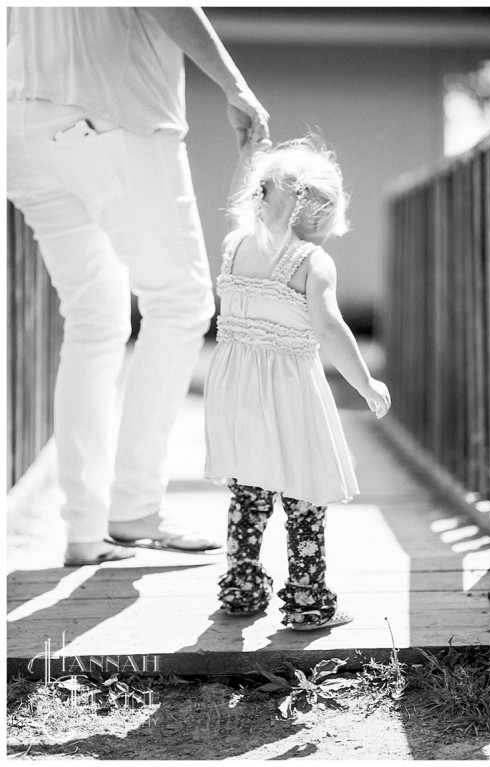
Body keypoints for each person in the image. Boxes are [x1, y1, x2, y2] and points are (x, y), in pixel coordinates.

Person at [7, 7, 270, 567]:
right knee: (180, 303)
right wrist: (236, 87)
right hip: (114, 113)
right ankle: (135, 505)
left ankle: (83, 529)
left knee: (93, 322)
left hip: (22, 128)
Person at [204, 134, 391, 630]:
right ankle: (308, 599)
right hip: (287, 389)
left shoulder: (233, 246)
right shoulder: (311, 261)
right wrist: (367, 383)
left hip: (234, 386)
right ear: (316, 211)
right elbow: (330, 328)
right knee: (303, 492)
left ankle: (242, 590)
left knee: (249, 489)